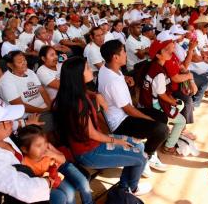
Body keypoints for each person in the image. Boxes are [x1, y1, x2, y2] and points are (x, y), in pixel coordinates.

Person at [53, 56, 152, 195]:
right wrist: (117, 141)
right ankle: (133, 188)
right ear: (78, 76)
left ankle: (124, 187)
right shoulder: (77, 104)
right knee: (141, 157)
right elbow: (92, 134)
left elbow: (85, 94)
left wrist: (96, 94)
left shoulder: (72, 92)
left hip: (93, 143)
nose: (91, 71)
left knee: (140, 145)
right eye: (87, 68)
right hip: (90, 152)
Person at [98, 40, 169, 177]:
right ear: (115, 57)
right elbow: (128, 110)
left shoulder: (107, 68)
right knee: (162, 130)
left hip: (124, 114)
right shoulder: (112, 82)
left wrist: (124, 78)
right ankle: (144, 158)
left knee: (162, 117)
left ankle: (150, 152)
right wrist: (149, 120)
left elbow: (116, 80)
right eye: (123, 52)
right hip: (120, 122)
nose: (126, 54)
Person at [17, 125, 93, 204]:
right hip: (48, 181)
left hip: (58, 171)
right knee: (69, 193)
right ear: (25, 149)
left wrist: (52, 154)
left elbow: (63, 160)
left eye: (45, 142)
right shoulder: (24, 163)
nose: (43, 147)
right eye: (38, 145)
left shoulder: (47, 148)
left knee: (75, 188)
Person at [139, 39, 187, 155]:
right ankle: (168, 146)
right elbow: (162, 95)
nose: (171, 51)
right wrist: (173, 102)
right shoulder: (159, 72)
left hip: (147, 101)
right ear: (158, 55)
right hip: (153, 105)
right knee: (182, 121)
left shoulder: (154, 65)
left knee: (181, 104)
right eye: (166, 50)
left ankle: (170, 131)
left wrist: (173, 101)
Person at [0, 51, 53, 131]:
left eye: (24, 60)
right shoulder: (6, 80)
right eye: (20, 62)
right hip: (29, 116)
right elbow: (19, 104)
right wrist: (42, 110)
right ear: (10, 65)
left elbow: (42, 91)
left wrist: (50, 106)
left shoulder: (30, 72)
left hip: (44, 109)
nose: (24, 63)